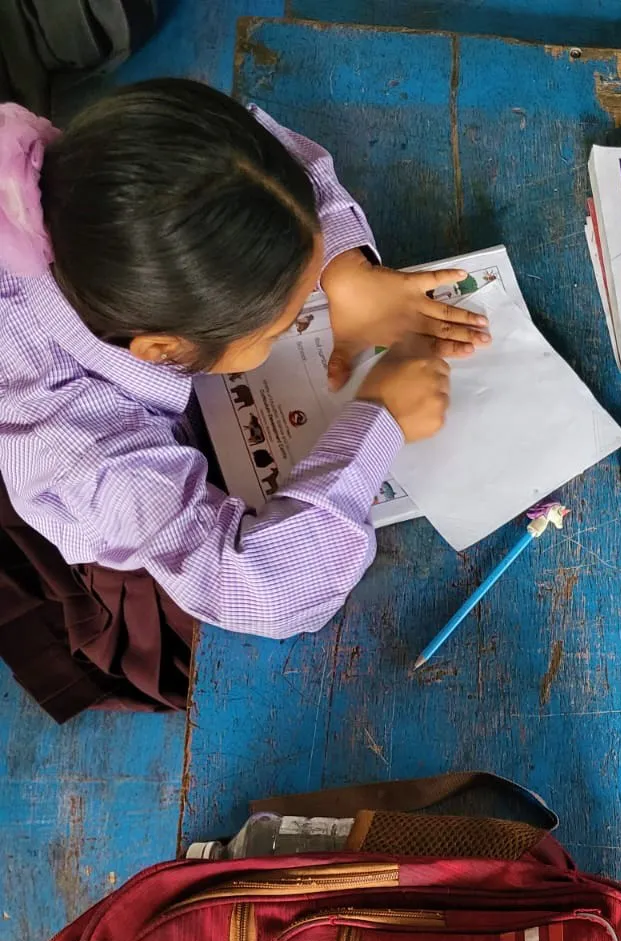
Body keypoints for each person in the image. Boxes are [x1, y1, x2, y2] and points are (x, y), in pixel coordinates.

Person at [0, 80, 491, 717]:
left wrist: (347, 272)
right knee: (182, 643)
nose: (299, 321)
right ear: (165, 350)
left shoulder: (76, 178)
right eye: (279, 329)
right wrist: (381, 420)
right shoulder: (93, 459)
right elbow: (270, 590)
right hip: (92, 531)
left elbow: (259, 151)